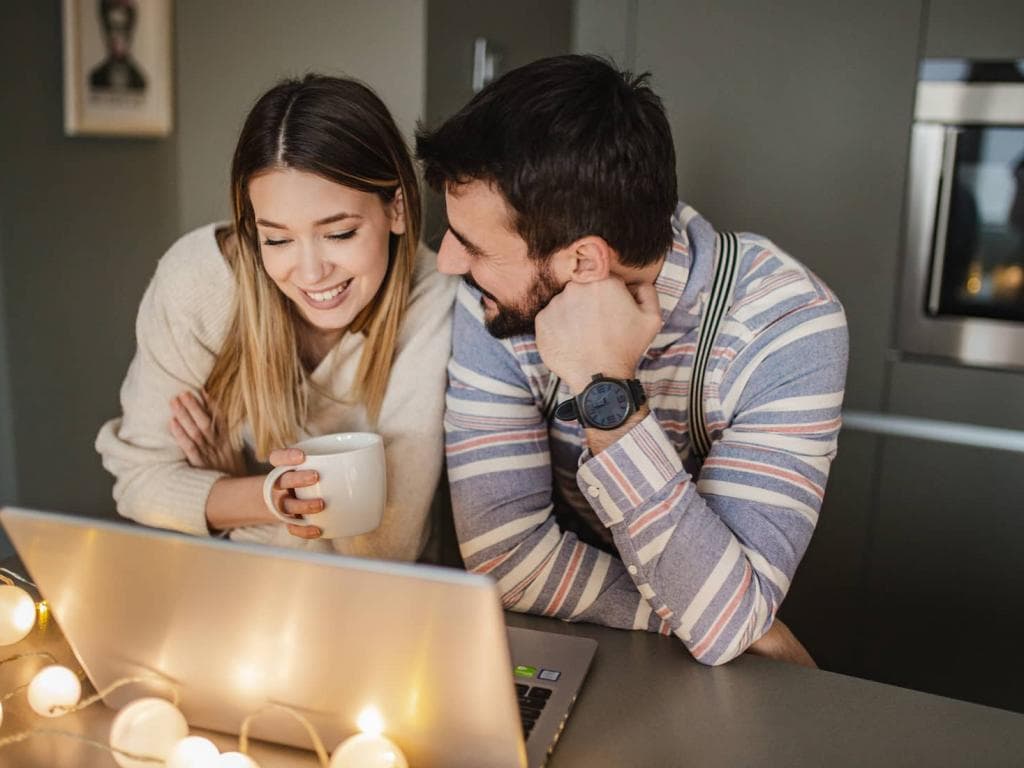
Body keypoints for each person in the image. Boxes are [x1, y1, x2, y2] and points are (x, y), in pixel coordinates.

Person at [416, 55, 848, 665]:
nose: (448, 263)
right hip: (580, 648)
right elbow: (505, 559)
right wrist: (717, 615)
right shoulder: (493, 302)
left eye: (475, 247)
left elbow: (726, 625)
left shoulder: (789, 328)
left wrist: (606, 388)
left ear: (585, 262)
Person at [97, 74, 457, 561]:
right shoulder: (199, 283)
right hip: (241, 599)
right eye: (278, 239)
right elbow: (139, 485)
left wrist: (234, 491)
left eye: (340, 233)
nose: (310, 272)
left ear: (396, 208)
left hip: (385, 615)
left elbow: (379, 550)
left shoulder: (433, 298)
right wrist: (271, 496)